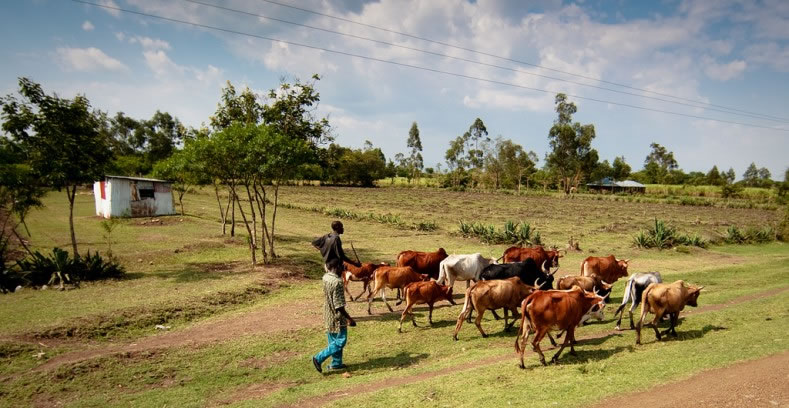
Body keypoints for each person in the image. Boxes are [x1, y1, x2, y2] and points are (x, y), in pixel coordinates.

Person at [311, 220, 361, 373]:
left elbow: (314, 243)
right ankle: (319, 357)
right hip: (336, 315)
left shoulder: (325, 277)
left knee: (333, 337)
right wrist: (349, 318)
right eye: (343, 268)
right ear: (338, 228)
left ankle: (336, 363)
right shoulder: (338, 282)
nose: (344, 269)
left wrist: (324, 252)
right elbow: (339, 305)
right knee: (340, 340)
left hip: (327, 311)